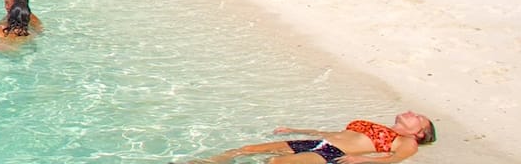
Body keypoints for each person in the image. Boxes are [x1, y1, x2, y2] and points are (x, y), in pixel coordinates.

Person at [181, 112, 436, 164]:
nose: (412, 113)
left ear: (419, 132)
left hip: (331, 154)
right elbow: (332, 133)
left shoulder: (407, 142)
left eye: (418, 118)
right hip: (317, 142)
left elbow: (395, 159)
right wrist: (296, 129)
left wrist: (365, 162)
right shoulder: (379, 127)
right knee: (247, 149)